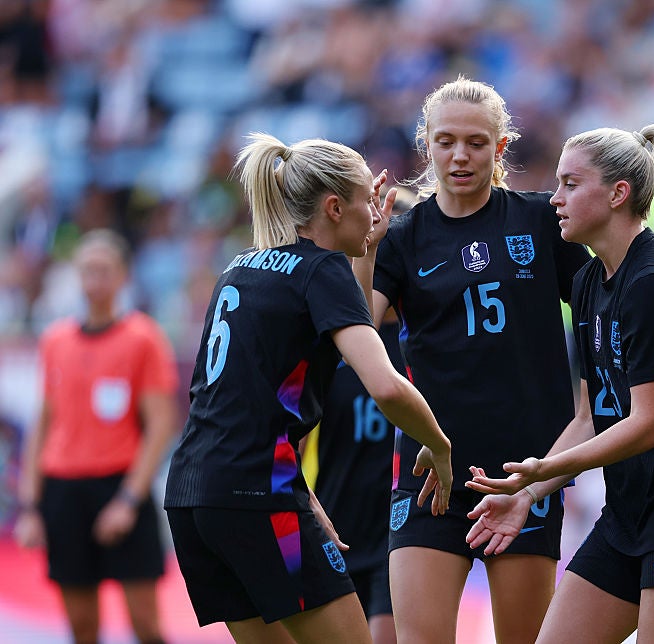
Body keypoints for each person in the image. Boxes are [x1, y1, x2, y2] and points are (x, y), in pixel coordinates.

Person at [466, 123, 654, 644]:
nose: (554, 198)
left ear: (618, 193)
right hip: (631, 510)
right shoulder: (586, 281)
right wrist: (528, 493)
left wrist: (543, 468)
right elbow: (590, 415)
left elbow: (648, 425)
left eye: (570, 184)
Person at [162, 133, 453, 644]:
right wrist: (439, 443)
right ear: (335, 207)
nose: (376, 211)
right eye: (368, 199)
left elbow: (233, 396)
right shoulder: (321, 270)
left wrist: (371, 249)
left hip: (193, 496)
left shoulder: (239, 268)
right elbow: (384, 385)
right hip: (258, 495)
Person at [353, 76, 592, 644]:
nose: (460, 155)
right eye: (446, 141)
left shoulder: (541, 222)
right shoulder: (402, 235)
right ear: (427, 144)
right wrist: (364, 250)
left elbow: (602, 307)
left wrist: (589, 405)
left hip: (523, 474)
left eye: (477, 142)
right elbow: (359, 329)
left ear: (501, 147)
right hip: (428, 472)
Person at [14, 229, 179, 644]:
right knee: (81, 625)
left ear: (123, 276)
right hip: (64, 491)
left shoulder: (143, 337)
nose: (94, 280)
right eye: (87, 270)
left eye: (104, 271)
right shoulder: (55, 341)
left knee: (147, 624)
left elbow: (161, 423)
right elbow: (45, 424)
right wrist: (32, 504)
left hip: (120, 485)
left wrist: (128, 498)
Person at [304, 186, 421, 644]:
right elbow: (291, 425)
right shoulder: (337, 339)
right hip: (339, 526)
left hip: (403, 527)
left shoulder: (424, 340)